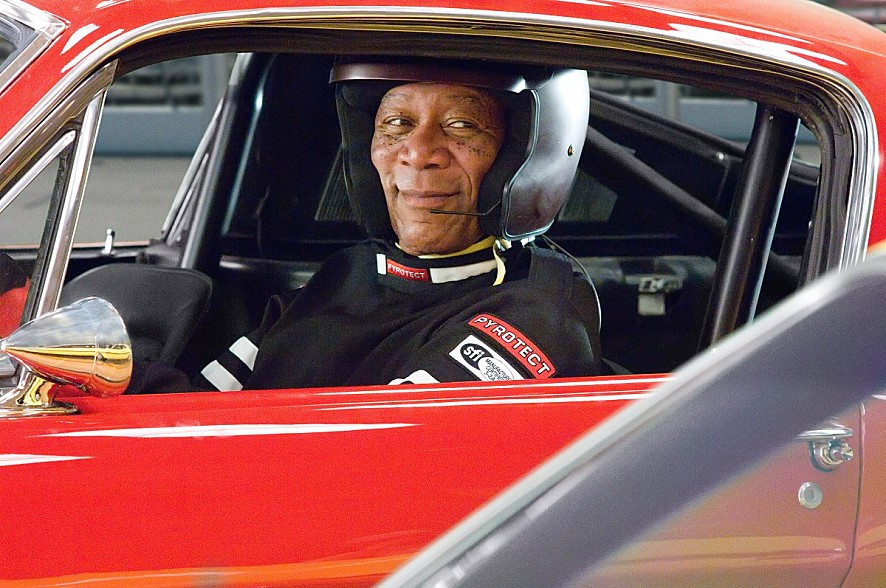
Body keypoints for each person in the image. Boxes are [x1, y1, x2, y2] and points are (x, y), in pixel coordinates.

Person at [134, 58, 602, 392]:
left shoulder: (537, 318)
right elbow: (196, 411)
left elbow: (368, 452)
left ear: (522, 158)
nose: (418, 153)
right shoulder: (347, 275)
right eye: (398, 123)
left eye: (461, 125)